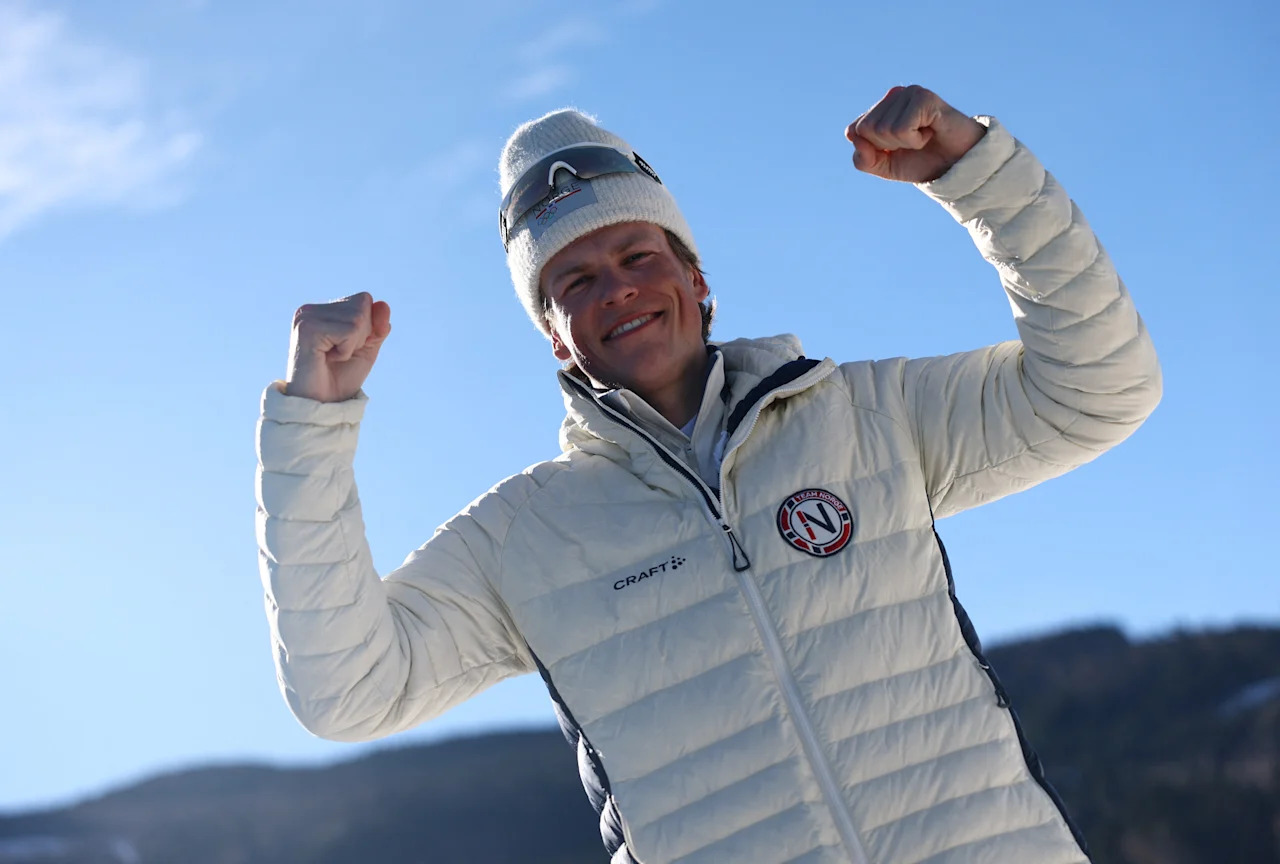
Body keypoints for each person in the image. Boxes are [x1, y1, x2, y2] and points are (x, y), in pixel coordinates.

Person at [256, 85, 1160, 864]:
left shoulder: (865, 418)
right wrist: (313, 426)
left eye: (638, 255)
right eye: (571, 279)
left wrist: (980, 175)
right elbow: (348, 692)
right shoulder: (524, 536)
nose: (615, 287)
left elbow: (1100, 390)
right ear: (553, 335)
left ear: (697, 279)